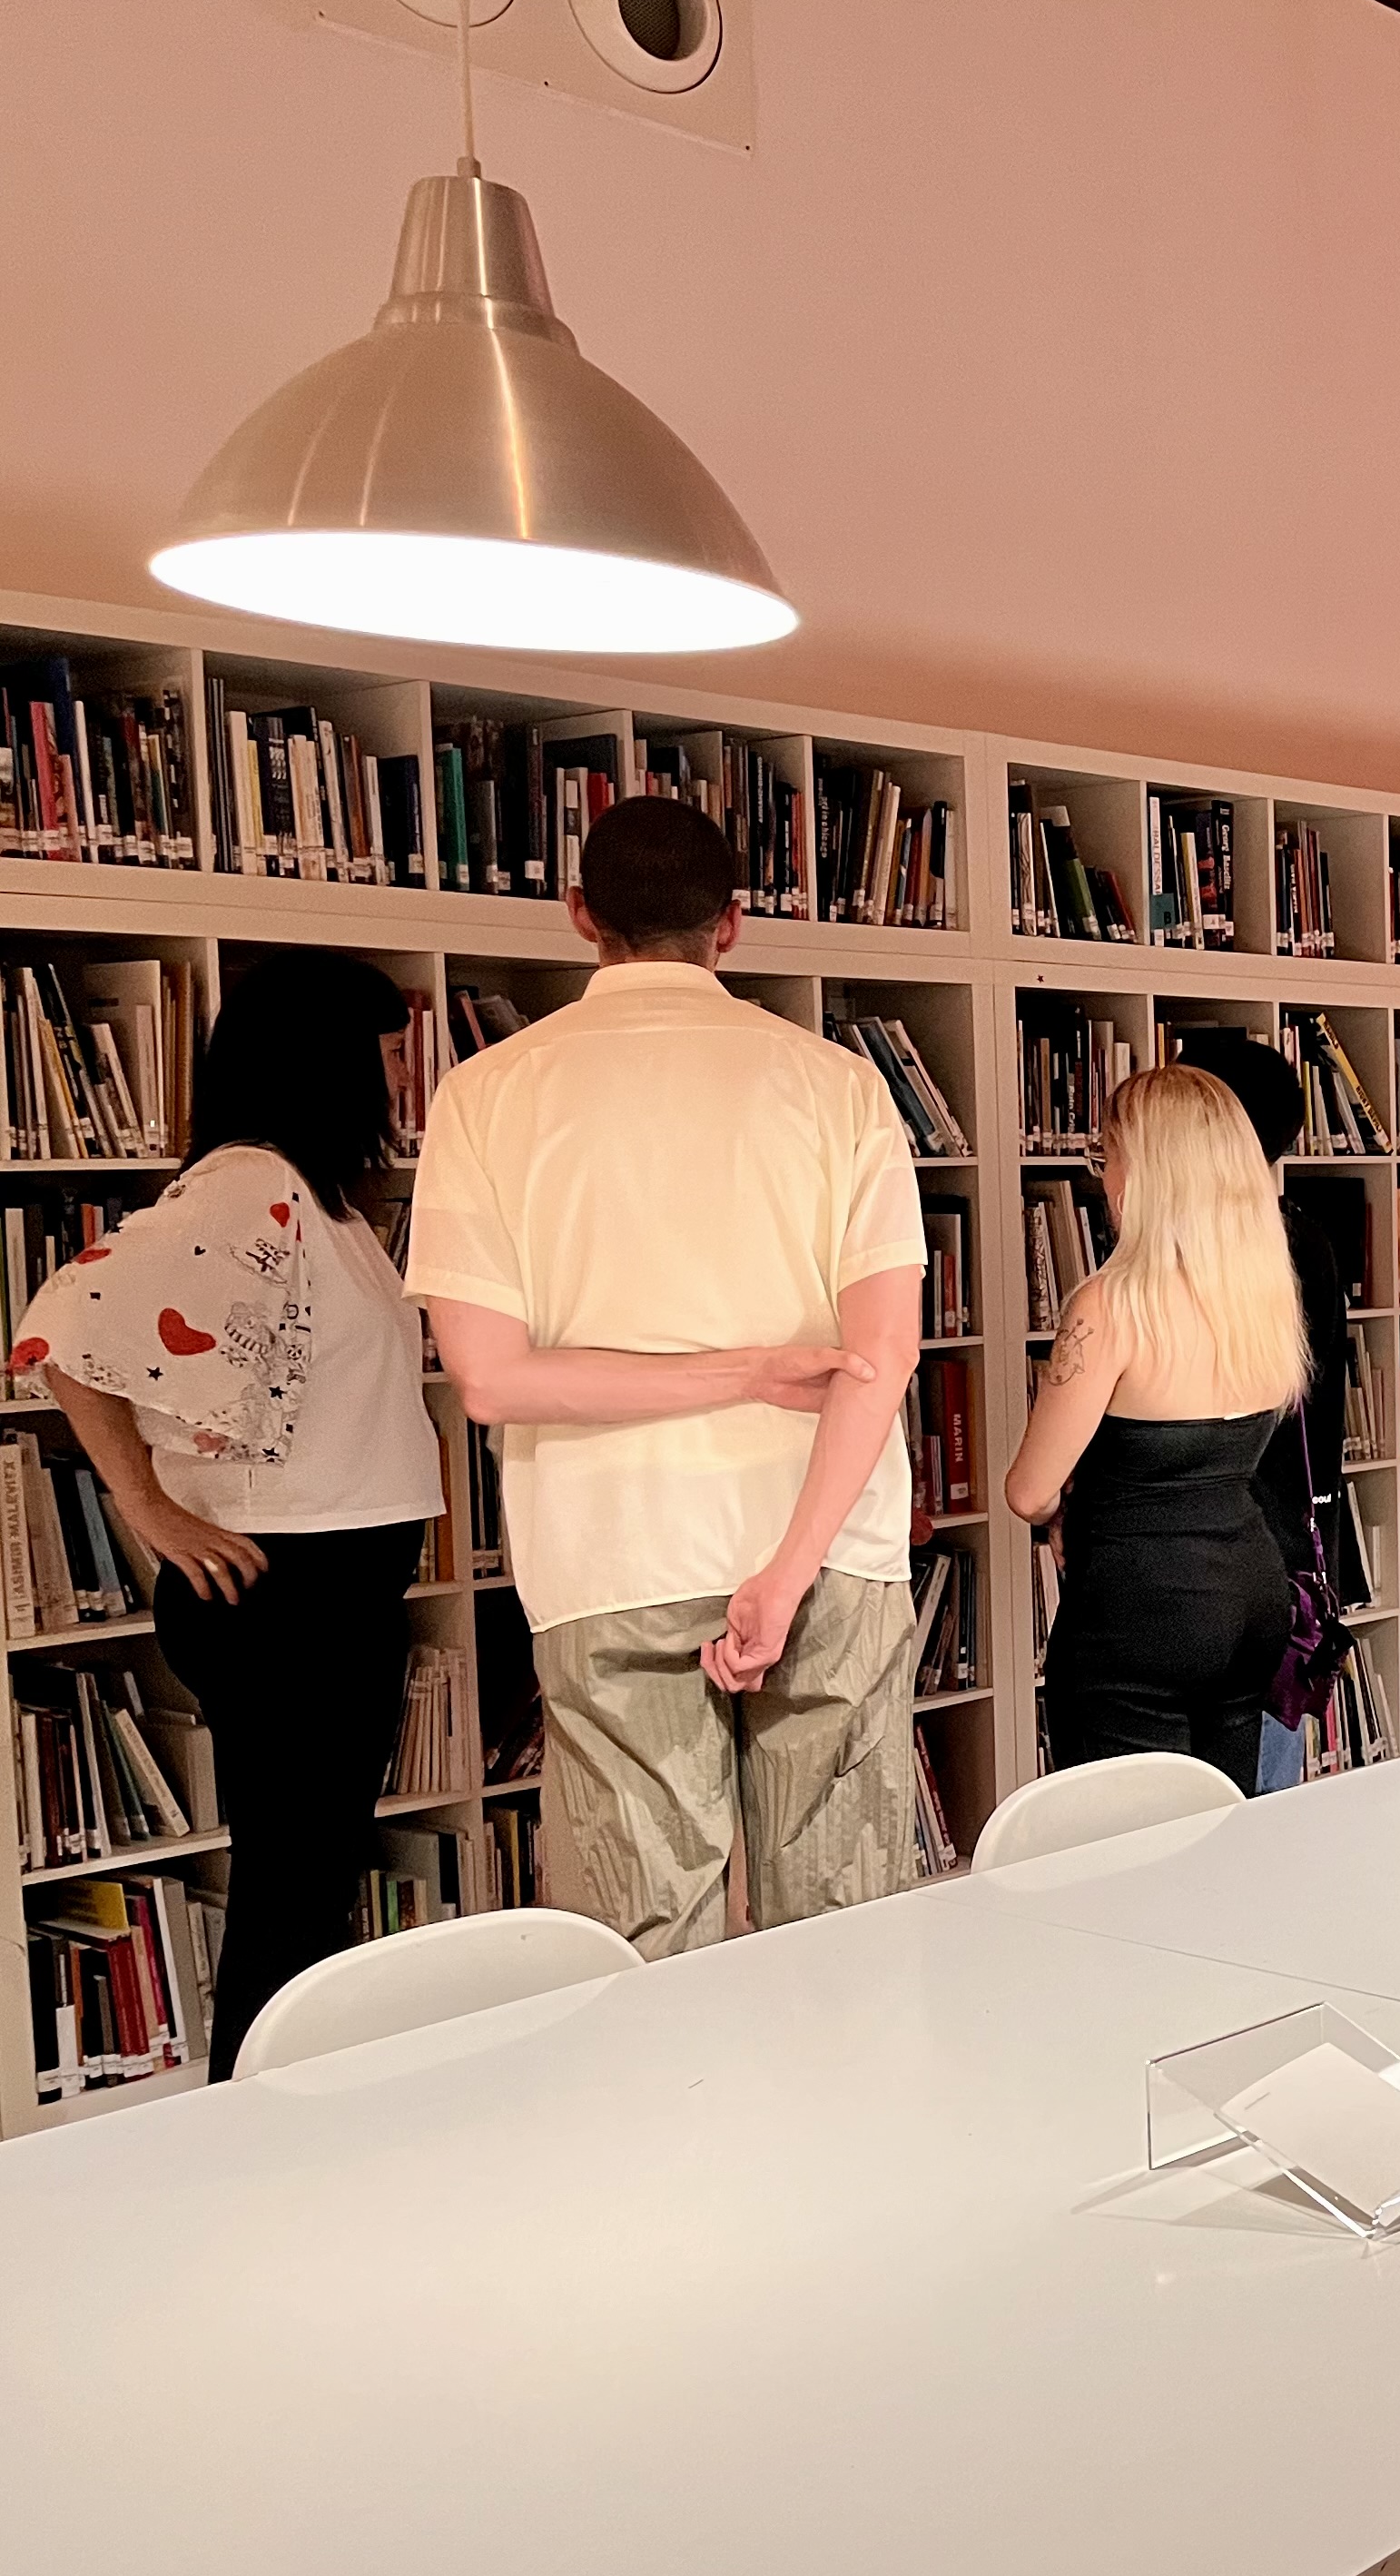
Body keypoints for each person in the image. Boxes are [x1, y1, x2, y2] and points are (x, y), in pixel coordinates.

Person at [408, 795, 920, 1957]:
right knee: (846, 1937)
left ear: (579, 914)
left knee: (639, 1954)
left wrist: (726, 1374)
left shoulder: (485, 1094)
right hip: (828, 1542)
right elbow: (881, 1356)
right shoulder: (837, 1085)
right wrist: (785, 1566)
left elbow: (490, 1382)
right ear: (730, 924)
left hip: (609, 1543)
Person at [15, 950, 444, 2076]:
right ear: (325, 1063)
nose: (403, 1077)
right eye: (388, 1054)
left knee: (306, 1885)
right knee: (291, 1894)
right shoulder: (252, 1187)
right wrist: (147, 1506)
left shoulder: (317, 1199)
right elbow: (66, 1325)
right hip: (285, 1594)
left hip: (328, 1590)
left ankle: (288, 2109)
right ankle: (262, 2120)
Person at [1008, 1062, 1311, 1790]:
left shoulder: (1109, 1306)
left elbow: (1029, 1490)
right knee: (1222, 1822)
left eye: (1107, 1157)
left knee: (1127, 1836)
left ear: (1149, 1174)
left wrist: (1062, 1511)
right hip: (1251, 1592)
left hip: (1141, 1607)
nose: (1103, 1180)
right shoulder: (1261, 1291)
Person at [1175, 1028, 1354, 1787]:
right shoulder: (1300, 1236)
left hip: (1246, 1559)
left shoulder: (1246, 1251)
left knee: (1241, 1798)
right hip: (1269, 1554)